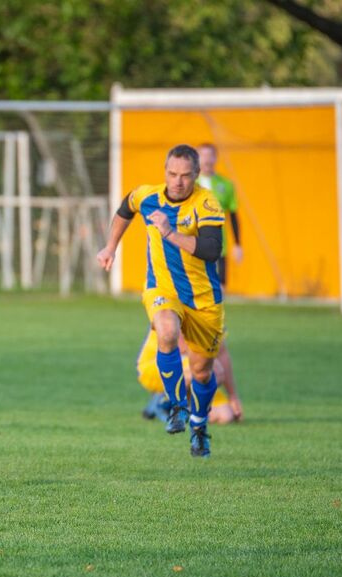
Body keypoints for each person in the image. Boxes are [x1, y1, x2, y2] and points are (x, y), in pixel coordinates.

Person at [97, 144, 224, 458]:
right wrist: (111, 246)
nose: (178, 181)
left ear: (196, 174)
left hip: (203, 300)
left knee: (202, 372)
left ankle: (199, 427)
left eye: (185, 175)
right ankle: (177, 406)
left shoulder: (206, 202)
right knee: (166, 331)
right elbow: (126, 208)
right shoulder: (148, 195)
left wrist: (170, 234)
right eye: (172, 173)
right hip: (162, 289)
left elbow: (212, 249)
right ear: (165, 171)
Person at [137, 329, 243, 426]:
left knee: (225, 416)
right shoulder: (187, 314)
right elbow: (182, 346)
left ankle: (180, 406)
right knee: (210, 368)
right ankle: (165, 401)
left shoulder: (214, 317)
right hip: (156, 366)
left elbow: (222, 354)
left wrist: (233, 396)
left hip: (189, 369)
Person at [197, 143, 241, 286]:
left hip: (219, 245)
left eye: (210, 155)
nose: (207, 159)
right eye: (203, 155)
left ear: (216, 158)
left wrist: (237, 244)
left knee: (220, 286)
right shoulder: (189, 183)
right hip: (194, 243)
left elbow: (233, 215)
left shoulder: (226, 184)